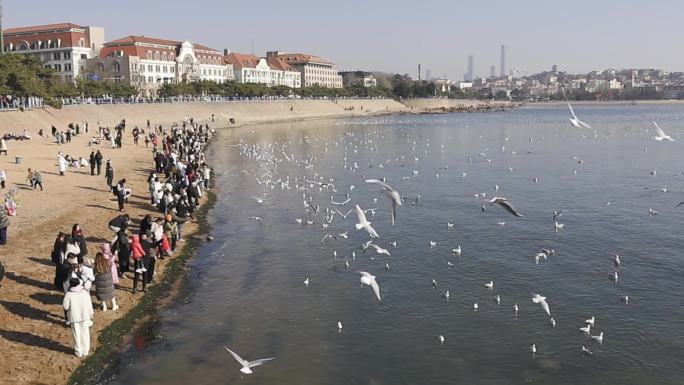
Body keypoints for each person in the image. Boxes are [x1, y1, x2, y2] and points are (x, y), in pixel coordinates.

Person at [63, 277, 94, 358]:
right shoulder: (85, 292)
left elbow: (65, 306)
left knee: (76, 335)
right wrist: (91, 314)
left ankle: (78, 351)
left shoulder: (69, 294)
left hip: (74, 318)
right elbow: (89, 304)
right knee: (85, 334)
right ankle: (86, 351)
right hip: (84, 316)